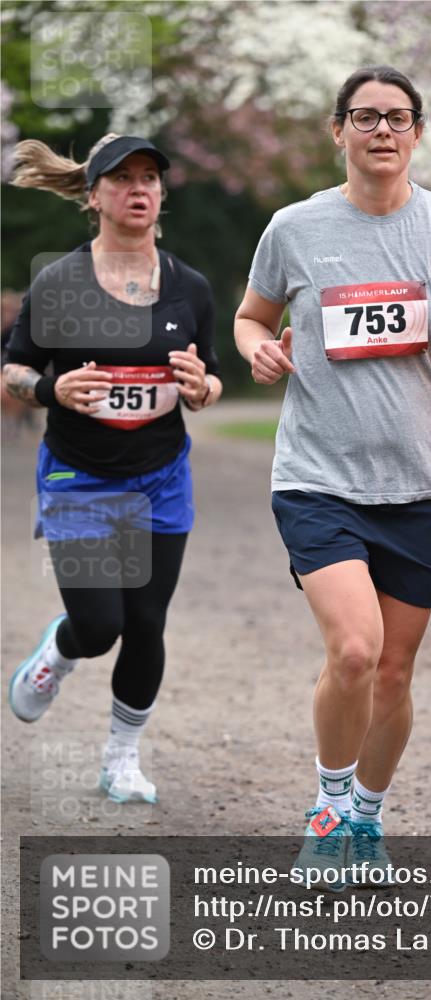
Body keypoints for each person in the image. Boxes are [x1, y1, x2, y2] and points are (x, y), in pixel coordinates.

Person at [235, 66, 431, 888]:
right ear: (338, 130)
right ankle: (325, 813)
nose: (381, 130)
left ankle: (366, 819)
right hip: (317, 475)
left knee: (395, 670)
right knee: (354, 651)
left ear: (417, 133)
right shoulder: (294, 227)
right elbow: (251, 318)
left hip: (419, 483)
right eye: (364, 117)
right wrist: (260, 350)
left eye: (397, 118)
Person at [4, 134, 222, 803]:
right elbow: (13, 370)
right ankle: (60, 651)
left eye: (150, 177)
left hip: (160, 475)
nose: (139, 188)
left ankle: (121, 760)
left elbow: (210, 380)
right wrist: (49, 391)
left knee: (147, 623)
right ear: (93, 196)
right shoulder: (61, 281)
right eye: (123, 178)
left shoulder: (189, 288)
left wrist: (200, 387)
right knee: (101, 627)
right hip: (80, 475)